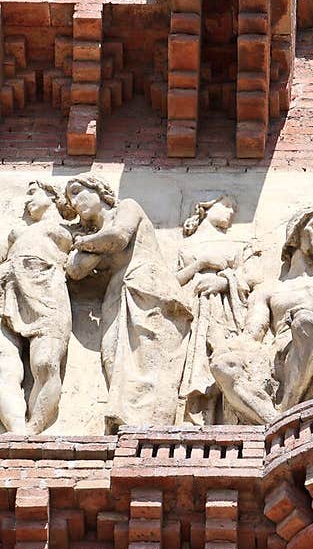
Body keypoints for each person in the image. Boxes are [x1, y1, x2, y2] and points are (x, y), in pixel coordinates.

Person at [210, 206, 313, 424]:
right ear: (296, 235)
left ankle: (285, 413)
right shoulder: (268, 289)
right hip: (280, 361)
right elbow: (252, 337)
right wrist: (223, 344)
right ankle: (273, 418)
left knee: (306, 321)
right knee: (222, 363)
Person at [64, 175, 192, 431]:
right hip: (116, 294)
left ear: (100, 191)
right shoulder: (94, 236)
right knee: (112, 355)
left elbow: (119, 236)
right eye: (71, 200)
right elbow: (75, 271)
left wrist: (81, 243)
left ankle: (154, 430)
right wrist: (88, 242)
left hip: (147, 286)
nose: (76, 203)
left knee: (149, 358)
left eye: (78, 192)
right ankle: (126, 426)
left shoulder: (127, 207)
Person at [0, 182, 72, 432]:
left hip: (47, 289)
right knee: (3, 364)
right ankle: (16, 429)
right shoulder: (16, 232)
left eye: (33, 192)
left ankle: (35, 428)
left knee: (46, 362)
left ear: (52, 196)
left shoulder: (68, 229)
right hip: (6, 285)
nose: (26, 200)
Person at [176, 196, 254, 425]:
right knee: (198, 362)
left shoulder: (237, 245)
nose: (231, 212)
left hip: (227, 310)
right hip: (194, 312)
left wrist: (223, 282)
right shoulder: (186, 247)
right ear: (207, 207)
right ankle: (200, 421)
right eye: (227, 205)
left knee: (224, 358)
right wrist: (200, 264)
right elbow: (173, 282)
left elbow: (250, 278)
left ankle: (230, 419)